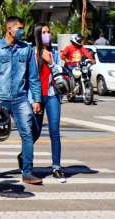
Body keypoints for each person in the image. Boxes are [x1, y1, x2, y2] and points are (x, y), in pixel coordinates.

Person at [0, 16, 43, 185]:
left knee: (27, 134)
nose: (22, 31)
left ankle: (28, 172)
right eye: (19, 28)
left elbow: (33, 77)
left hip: (20, 99)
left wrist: (36, 99)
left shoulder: (27, 50)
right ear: (9, 29)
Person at [33, 23, 66, 182]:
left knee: (54, 131)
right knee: (35, 132)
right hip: (37, 97)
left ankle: (56, 167)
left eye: (48, 31)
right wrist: (33, 99)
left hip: (52, 95)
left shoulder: (54, 52)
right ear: (38, 35)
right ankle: (24, 155)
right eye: (44, 32)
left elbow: (60, 72)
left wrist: (51, 62)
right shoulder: (32, 52)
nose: (48, 34)